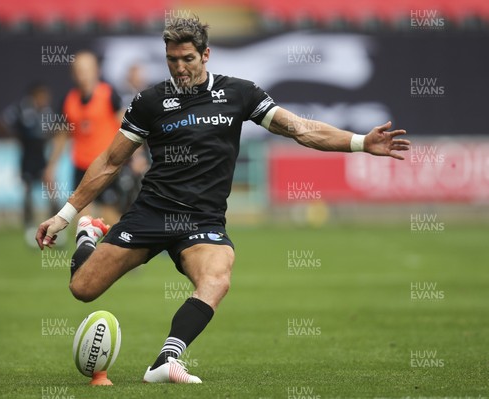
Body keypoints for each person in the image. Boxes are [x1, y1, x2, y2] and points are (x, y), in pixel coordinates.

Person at [36, 17, 410, 383]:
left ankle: (166, 360)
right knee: (82, 289)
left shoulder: (239, 94)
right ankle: (88, 235)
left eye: (188, 59)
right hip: (152, 212)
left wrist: (361, 142)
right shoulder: (150, 101)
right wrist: (66, 215)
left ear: (206, 55)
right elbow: (110, 161)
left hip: (202, 221)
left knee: (218, 277)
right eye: (172, 60)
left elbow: (301, 129)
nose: (180, 68)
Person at [43, 51, 126, 225]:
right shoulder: (68, 100)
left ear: (96, 71)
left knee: (110, 217)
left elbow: (128, 128)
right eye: (79, 70)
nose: (83, 75)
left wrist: (136, 157)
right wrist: (51, 166)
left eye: (87, 70)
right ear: (73, 74)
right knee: (82, 219)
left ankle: (123, 248)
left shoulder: (109, 95)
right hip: (81, 167)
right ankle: (87, 252)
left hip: (107, 165)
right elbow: (62, 136)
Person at [0, 82, 58, 243]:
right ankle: (29, 227)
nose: (45, 99)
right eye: (43, 96)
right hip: (28, 155)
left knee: (50, 187)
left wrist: (50, 137)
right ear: (35, 95)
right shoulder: (20, 109)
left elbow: (56, 128)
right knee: (28, 190)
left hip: (42, 154)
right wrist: (16, 136)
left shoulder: (47, 111)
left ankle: (56, 226)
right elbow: (1, 124)